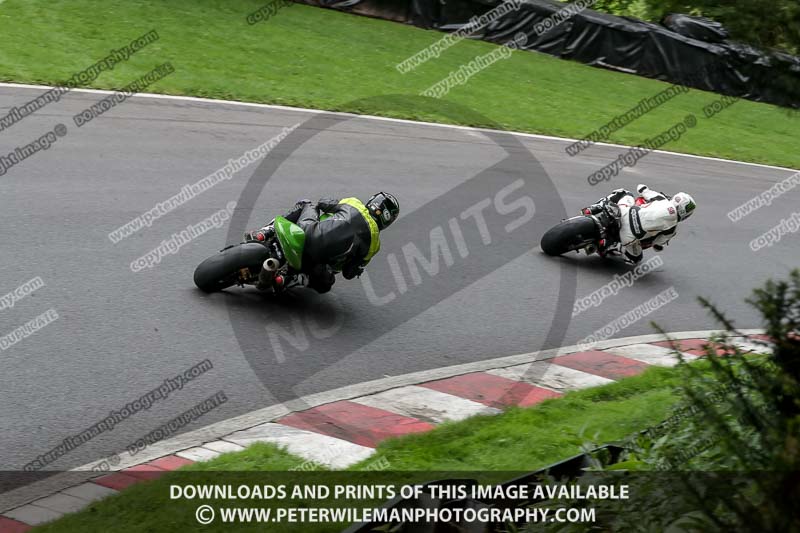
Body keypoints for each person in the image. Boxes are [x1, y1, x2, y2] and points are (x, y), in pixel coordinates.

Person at [245, 192, 399, 293]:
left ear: (372, 201)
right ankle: (288, 279)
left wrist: (331, 206)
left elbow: (323, 202)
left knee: (306, 203)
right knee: (326, 284)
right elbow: (348, 273)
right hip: (318, 263)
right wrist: (357, 269)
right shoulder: (374, 244)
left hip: (305, 232)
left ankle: (264, 232)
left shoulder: (354, 203)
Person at [585, 184, 696, 264]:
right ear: (685, 213)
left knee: (624, 193)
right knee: (636, 259)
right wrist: (657, 246)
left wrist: (644, 189)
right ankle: (611, 246)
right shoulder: (672, 229)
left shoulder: (661, 199)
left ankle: (594, 208)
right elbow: (657, 243)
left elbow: (641, 188)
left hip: (624, 212)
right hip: (628, 237)